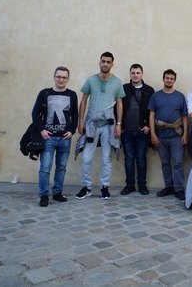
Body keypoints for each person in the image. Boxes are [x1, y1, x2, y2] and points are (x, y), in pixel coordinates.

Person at [76, 52, 125, 200]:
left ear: (112, 64)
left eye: (108, 62)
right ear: (99, 62)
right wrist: (80, 120)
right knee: (86, 157)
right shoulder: (91, 80)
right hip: (91, 124)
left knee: (106, 158)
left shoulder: (117, 82)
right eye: (103, 61)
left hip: (108, 126)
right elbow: (84, 99)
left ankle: (104, 187)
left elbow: (119, 103)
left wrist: (119, 124)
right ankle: (86, 187)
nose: (105, 64)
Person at [32, 66, 78, 207]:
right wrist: (42, 131)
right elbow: (35, 114)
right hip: (48, 138)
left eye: (64, 77)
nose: (61, 79)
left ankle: (57, 193)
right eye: (59, 76)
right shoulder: (44, 93)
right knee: (45, 168)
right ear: (54, 77)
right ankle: (44, 195)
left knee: (61, 167)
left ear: (68, 79)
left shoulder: (72, 95)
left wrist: (72, 131)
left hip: (65, 138)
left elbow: (75, 116)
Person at [148, 69, 188, 200]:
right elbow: (152, 115)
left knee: (177, 162)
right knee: (165, 162)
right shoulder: (156, 96)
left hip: (176, 136)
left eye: (171, 78)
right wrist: (153, 134)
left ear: (174, 80)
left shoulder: (180, 96)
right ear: (163, 78)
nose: (169, 80)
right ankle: (169, 186)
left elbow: (184, 117)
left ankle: (178, 189)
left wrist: (185, 134)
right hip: (161, 136)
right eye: (167, 78)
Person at [120, 64, 154, 196]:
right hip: (126, 130)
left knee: (141, 158)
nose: (135, 75)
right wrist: (120, 125)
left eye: (138, 73)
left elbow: (152, 111)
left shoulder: (149, 90)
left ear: (142, 74)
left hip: (142, 131)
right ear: (130, 74)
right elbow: (117, 107)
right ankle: (129, 185)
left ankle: (142, 186)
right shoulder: (124, 89)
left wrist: (149, 127)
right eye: (133, 73)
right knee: (128, 158)